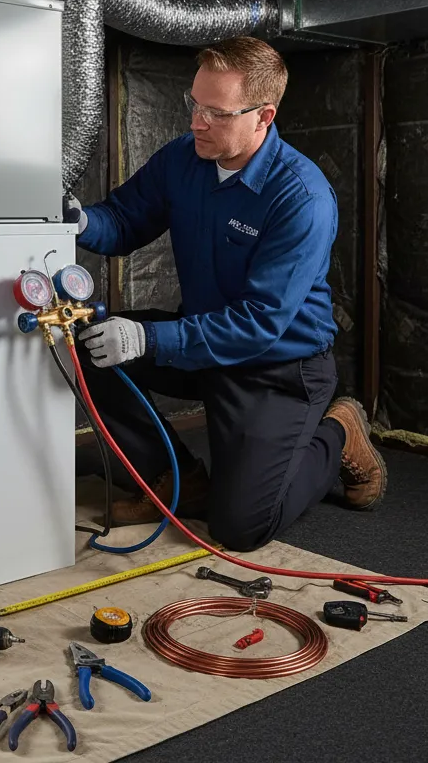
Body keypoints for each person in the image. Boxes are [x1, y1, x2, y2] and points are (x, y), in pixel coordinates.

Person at [65, 37, 385, 552]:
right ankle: (180, 482)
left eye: (216, 112)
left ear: (263, 116)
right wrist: (77, 220)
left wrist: (148, 338)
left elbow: (259, 323)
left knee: (239, 528)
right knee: (88, 350)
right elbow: (123, 220)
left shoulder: (300, 197)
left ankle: (338, 434)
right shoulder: (184, 159)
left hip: (278, 369)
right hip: (205, 345)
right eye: (194, 104)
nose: (197, 122)